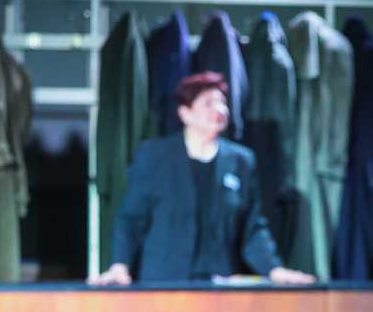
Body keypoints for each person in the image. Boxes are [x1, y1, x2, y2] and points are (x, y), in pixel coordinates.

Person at [90, 72, 313, 285]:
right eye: (208, 103)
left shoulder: (241, 161)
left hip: (219, 285)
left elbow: (252, 227)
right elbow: (131, 219)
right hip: (164, 286)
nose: (219, 109)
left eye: (222, 102)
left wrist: (274, 270)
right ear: (185, 113)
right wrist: (120, 266)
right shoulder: (154, 156)